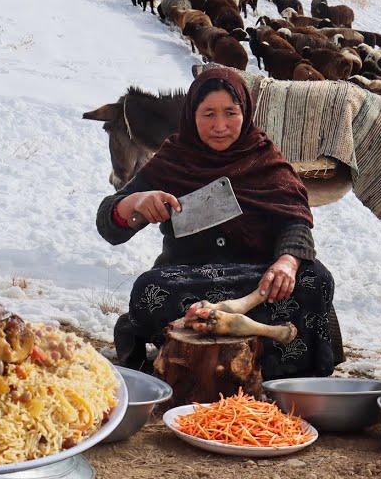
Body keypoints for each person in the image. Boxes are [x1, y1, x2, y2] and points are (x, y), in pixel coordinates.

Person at [96, 67, 344, 379]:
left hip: (257, 280)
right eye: (208, 113)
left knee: (315, 278)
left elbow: (295, 219)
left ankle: (270, 367)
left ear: (246, 111)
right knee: (151, 288)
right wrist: (134, 203)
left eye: (230, 112)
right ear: (191, 115)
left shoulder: (263, 157)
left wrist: (287, 261)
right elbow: (109, 222)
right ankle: (185, 351)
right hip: (188, 276)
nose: (220, 126)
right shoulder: (175, 158)